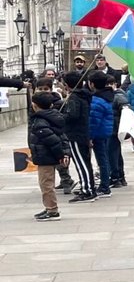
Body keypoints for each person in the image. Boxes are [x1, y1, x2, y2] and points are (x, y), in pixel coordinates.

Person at [28, 92, 66, 220]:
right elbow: (62, 136)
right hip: (46, 155)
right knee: (46, 183)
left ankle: (52, 210)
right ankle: (49, 207)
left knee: (46, 184)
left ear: (34, 105)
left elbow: (53, 141)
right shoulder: (54, 116)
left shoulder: (40, 122)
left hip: (45, 156)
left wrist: (61, 155)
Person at [59, 72, 96, 202]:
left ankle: (87, 190)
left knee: (81, 163)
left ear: (67, 85)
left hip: (76, 133)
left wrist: (61, 116)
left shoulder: (74, 97)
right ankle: (89, 187)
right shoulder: (84, 95)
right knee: (85, 162)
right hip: (82, 132)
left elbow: (73, 115)